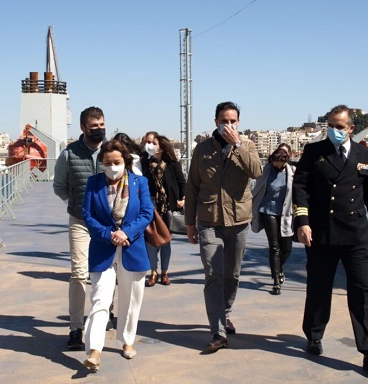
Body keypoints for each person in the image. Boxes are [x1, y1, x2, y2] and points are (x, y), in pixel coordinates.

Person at [292, 104, 368, 370]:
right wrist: (302, 221)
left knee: (361, 291)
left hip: (356, 234)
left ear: (350, 128)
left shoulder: (362, 152)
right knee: (319, 287)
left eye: (340, 126)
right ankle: (314, 335)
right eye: (331, 126)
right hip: (322, 232)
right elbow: (300, 187)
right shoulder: (314, 151)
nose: (335, 131)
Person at [185, 101, 262, 352]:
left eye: (233, 121)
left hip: (238, 221)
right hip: (209, 220)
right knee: (213, 274)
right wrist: (189, 223)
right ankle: (217, 331)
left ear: (238, 122)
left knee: (232, 274)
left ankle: (225, 312)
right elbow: (193, 186)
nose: (228, 125)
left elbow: (256, 171)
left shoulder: (247, 146)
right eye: (224, 121)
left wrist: (238, 144)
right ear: (215, 121)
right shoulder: (203, 149)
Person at [82, 140, 153, 371]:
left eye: (117, 162)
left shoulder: (139, 182)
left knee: (131, 299)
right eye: (107, 163)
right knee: (99, 299)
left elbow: (146, 213)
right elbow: (88, 215)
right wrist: (109, 234)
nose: (112, 167)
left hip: (133, 247)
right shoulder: (93, 183)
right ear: (101, 163)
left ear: (125, 162)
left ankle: (127, 341)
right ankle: (94, 350)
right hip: (103, 248)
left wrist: (126, 233)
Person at [53, 106, 114, 350]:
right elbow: (59, 187)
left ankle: (106, 313)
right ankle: (76, 328)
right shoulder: (69, 154)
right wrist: (79, 202)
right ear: (83, 128)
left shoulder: (112, 151)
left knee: (108, 273)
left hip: (108, 224)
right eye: (94, 127)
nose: (99, 130)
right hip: (80, 221)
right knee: (79, 274)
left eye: (102, 125)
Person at [141, 134, 186, 286]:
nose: (150, 145)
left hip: (168, 205)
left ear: (161, 146)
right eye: (148, 142)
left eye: (153, 143)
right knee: (151, 240)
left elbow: (182, 183)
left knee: (165, 240)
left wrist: (183, 198)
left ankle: (164, 273)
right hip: (150, 205)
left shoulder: (173, 164)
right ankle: (153, 272)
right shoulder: (145, 163)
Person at [251, 144, 294, 296]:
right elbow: (256, 187)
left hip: (286, 212)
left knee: (287, 247)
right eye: (276, 164)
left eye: (281, 165)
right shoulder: (266, 171)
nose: (278, 167)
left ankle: (278, 268)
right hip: (267, 210)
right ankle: (276, 280)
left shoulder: (292, 172)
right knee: (274, 246)